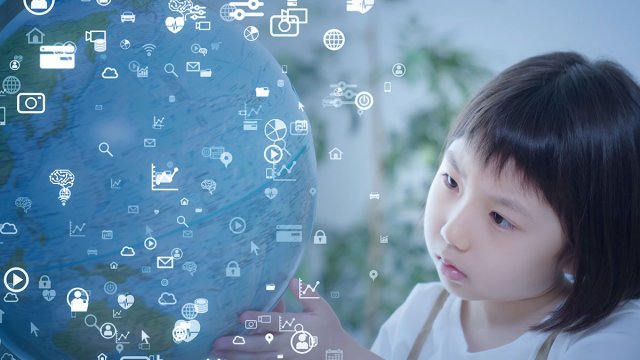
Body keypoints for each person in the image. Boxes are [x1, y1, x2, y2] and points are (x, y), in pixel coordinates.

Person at [211, 52, 640, 359]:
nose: (452, 231)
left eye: (500, 218)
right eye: (452, 180)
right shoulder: (422, 312)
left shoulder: (612, 337)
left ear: (578, 249)